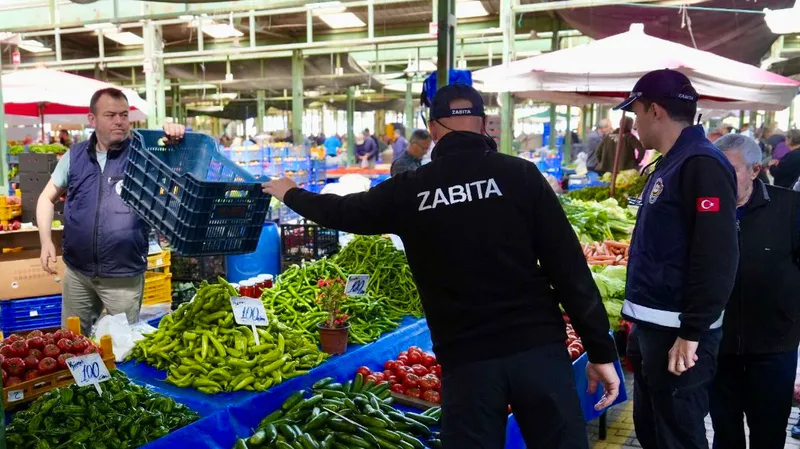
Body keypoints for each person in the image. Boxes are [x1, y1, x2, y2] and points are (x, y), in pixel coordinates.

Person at [263, 83, 620, 449]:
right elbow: (570, 269)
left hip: (468, 362)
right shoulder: (521, 176)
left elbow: (343, 211)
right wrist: (601, 350)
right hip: (538, 351)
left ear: (433, 129)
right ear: (483, 126)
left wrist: (291, 192)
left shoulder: (410, 190)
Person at [616, 69, 739, 449]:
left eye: (636, 113)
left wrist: (691, 332)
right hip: (655, 327)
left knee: (679, 436)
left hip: (679, 335)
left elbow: (717, 253)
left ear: (655, 111)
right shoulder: (673, 161)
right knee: (655, 430)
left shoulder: (701, 164)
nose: (634, 124)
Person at [37, 87, 185, 336]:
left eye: (124, 115)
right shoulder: (75, 156)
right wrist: (44, 241)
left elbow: (178, 170)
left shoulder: (143, 153)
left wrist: (175, 137)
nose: (119, 121)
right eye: (110, 115)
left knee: (121, 346)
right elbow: (45, 198)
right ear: (92, 119)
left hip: (123, 275)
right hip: (78, 273)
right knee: (73, 342)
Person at [707, 134, 800, 449]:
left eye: (728, 169)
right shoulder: (704, 209)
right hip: (719, 347)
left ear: (755, 170)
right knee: (725, 435)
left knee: (769, 437)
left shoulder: (790, 208)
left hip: (774, 348)